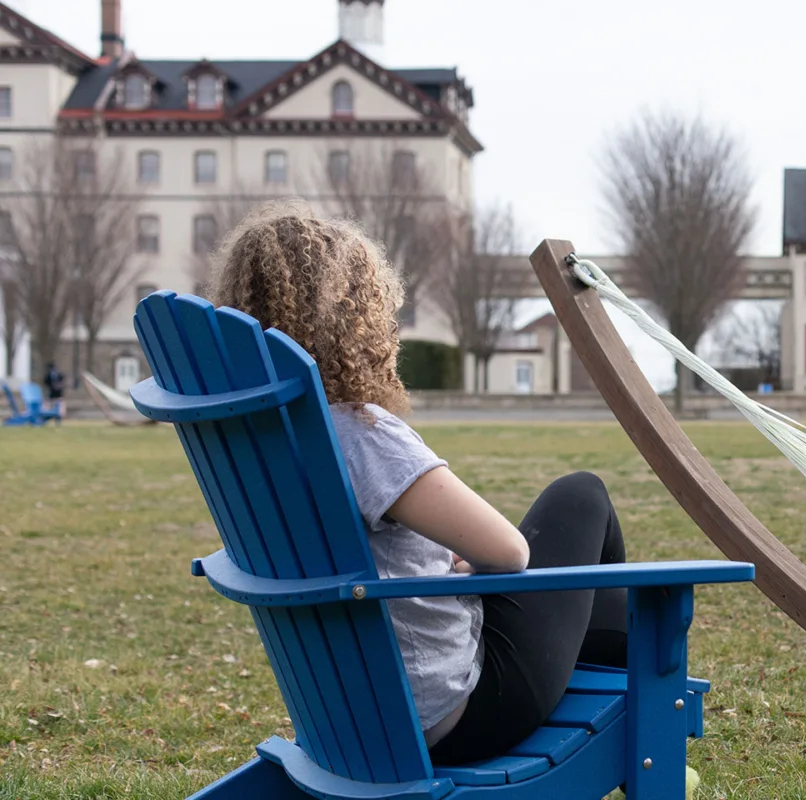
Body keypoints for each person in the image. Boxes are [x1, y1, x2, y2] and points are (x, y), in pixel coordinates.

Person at [207, 201, 643, 772]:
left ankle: (633, 698)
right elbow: (510, 552)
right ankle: (647, 724)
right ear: (356, 318)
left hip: (350, 715)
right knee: (582, 495)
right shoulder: (358, 433)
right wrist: (469, 566)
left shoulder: (255, 443)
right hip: (460, 712)